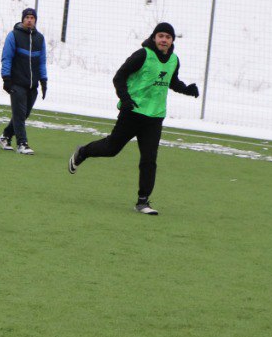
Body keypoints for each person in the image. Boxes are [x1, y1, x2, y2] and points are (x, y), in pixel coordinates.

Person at [67, 21, 199, 216]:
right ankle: (82, 152)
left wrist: (187, 89)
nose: (164, 40)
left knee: (149, 159)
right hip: (132, 113)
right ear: (154, 37)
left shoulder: (174, 60)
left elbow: (171, 81)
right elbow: (119, 77)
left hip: (154, 118)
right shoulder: (142, 55)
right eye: (161, 36)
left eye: (168, 37)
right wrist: (125, 99)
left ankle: (143, 201)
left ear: (172, 41)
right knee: (112, 149)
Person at [0, 7, 47, 155]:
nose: (29, 20)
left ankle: (5, 136)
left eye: (32, 18)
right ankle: (22, 144)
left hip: (32, 85)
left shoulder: (40, 39)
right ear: (22, 19)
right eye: (27, 18)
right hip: (17, 83)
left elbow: (42, 62)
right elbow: (6, 58)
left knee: (23, 114)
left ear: (35, 20)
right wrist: (6, 78)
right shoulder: (13, 36)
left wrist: (44, 81)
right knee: (19, 114)